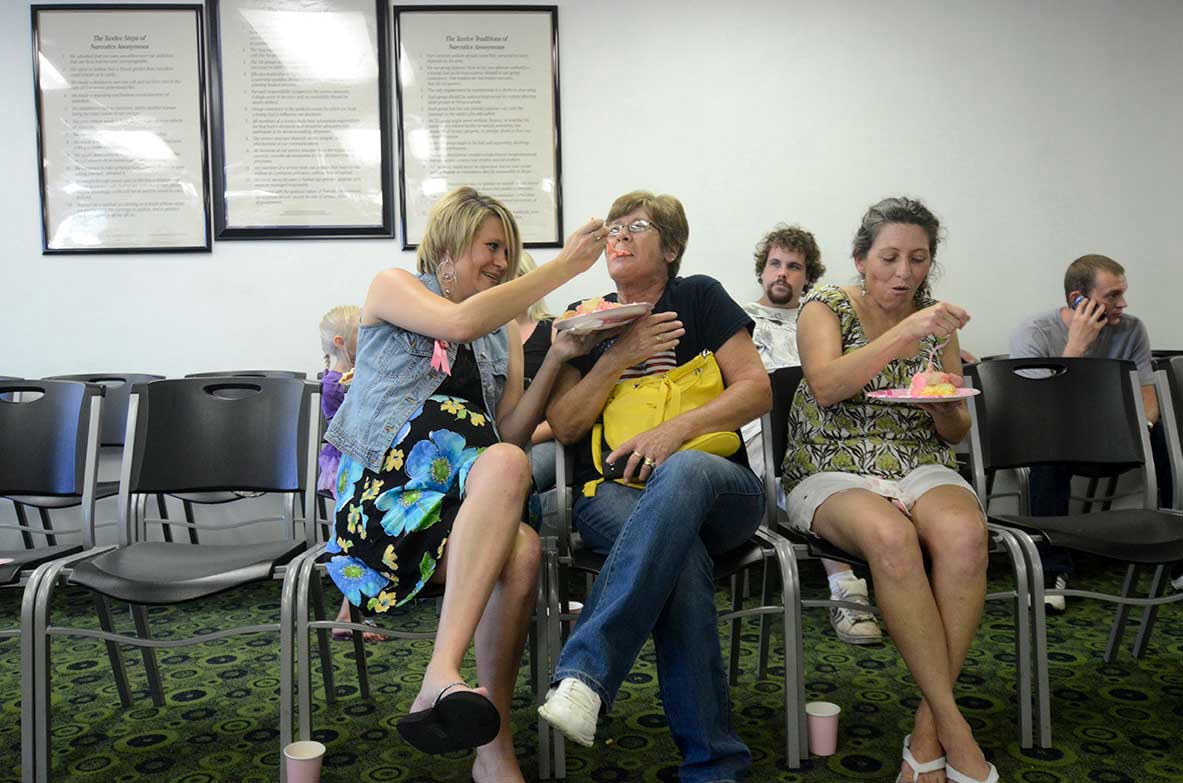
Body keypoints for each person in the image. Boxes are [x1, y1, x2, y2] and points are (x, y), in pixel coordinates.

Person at [323, 187, 607, 783]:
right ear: (449, 246)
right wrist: (563, 267)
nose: (503, 261)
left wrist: (555, 356)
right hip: (386, 504)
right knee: (512, 506)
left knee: (515, 500)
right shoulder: (393, 287)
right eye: (492, 247)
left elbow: (510, 431)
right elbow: (455, 322)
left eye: (510, 250)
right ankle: (459, 701)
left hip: (462, 508)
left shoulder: (500, 333)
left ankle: (479, 728)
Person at [537, 191, 771, 783]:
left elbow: (756, 389)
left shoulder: (699, 297)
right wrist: (620, 355)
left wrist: (676, 432)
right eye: (612, 227)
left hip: (720, 487)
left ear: (670, 248)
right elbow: (564, 425)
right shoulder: (585, 316)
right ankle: (716, 765)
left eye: (635, 226)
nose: (617, 235)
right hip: (612, 494)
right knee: (681, 559)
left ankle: (587, 672)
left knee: (684, 471)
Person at [782, 197, 996, 783]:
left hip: (917, 460)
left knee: (966, 535)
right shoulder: (823, 306)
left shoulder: (936, 322)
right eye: (890, 257)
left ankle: (930, 731)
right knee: (892, 538)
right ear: (861, 259)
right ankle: (956, 732)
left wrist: (949, 399)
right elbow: (825, 386)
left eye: (919, 259)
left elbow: (953, 429)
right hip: (831, 465)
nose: (904, 273)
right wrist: (904, 337)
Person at [743, 224, 882, 646]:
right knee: (799, 464)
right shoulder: (739, 320)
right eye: (775, 264)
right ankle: (845, 584)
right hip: (763, 429)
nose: (782, 274)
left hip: (823, 425)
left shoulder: (825, 318)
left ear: (808, 276)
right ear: (763, 271)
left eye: (794, 266)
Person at [1009, 254, 1171, 611]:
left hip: (1112, 433)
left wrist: (1142, 429)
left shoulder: (1131, 329)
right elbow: (1042, 412)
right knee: (1046, 451)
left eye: (1122, 294)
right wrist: (1076, 347)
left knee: (1165, 438)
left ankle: (1175, 561)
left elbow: (1146, 391)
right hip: (1055, 433)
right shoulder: (1033, 333)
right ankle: (1051, 570)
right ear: (1077, 299)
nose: (1122, 304)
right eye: (1112, 295)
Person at [317, 304, 388, 643]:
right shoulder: (333, 384)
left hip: (356, 462)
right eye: (364, 333)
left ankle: (352, 612)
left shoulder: (354, 375)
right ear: (343, 341)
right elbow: (349, 419)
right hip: (344, 467)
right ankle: (350, 613)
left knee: (359, 534)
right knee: (355, 535)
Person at [515, 251, 560, 492]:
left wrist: (523, 438)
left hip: (544, 441)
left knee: (512, 482)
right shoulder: (484, 336)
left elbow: (566, 411)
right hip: (496, 443)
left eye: (519, 277)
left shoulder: (554, 330)